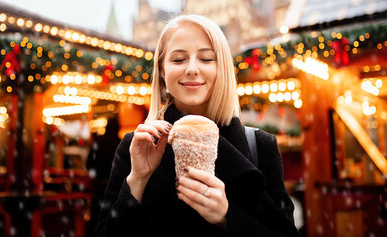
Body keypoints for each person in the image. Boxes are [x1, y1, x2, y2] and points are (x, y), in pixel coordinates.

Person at [95, 15, 300, 236]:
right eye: (178, 60)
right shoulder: (137, 146)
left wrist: (227, 216)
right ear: (162, 71)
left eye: (206, 59)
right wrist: (137, 180)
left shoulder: (259, 146)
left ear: (221, 68)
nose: (192, 68)